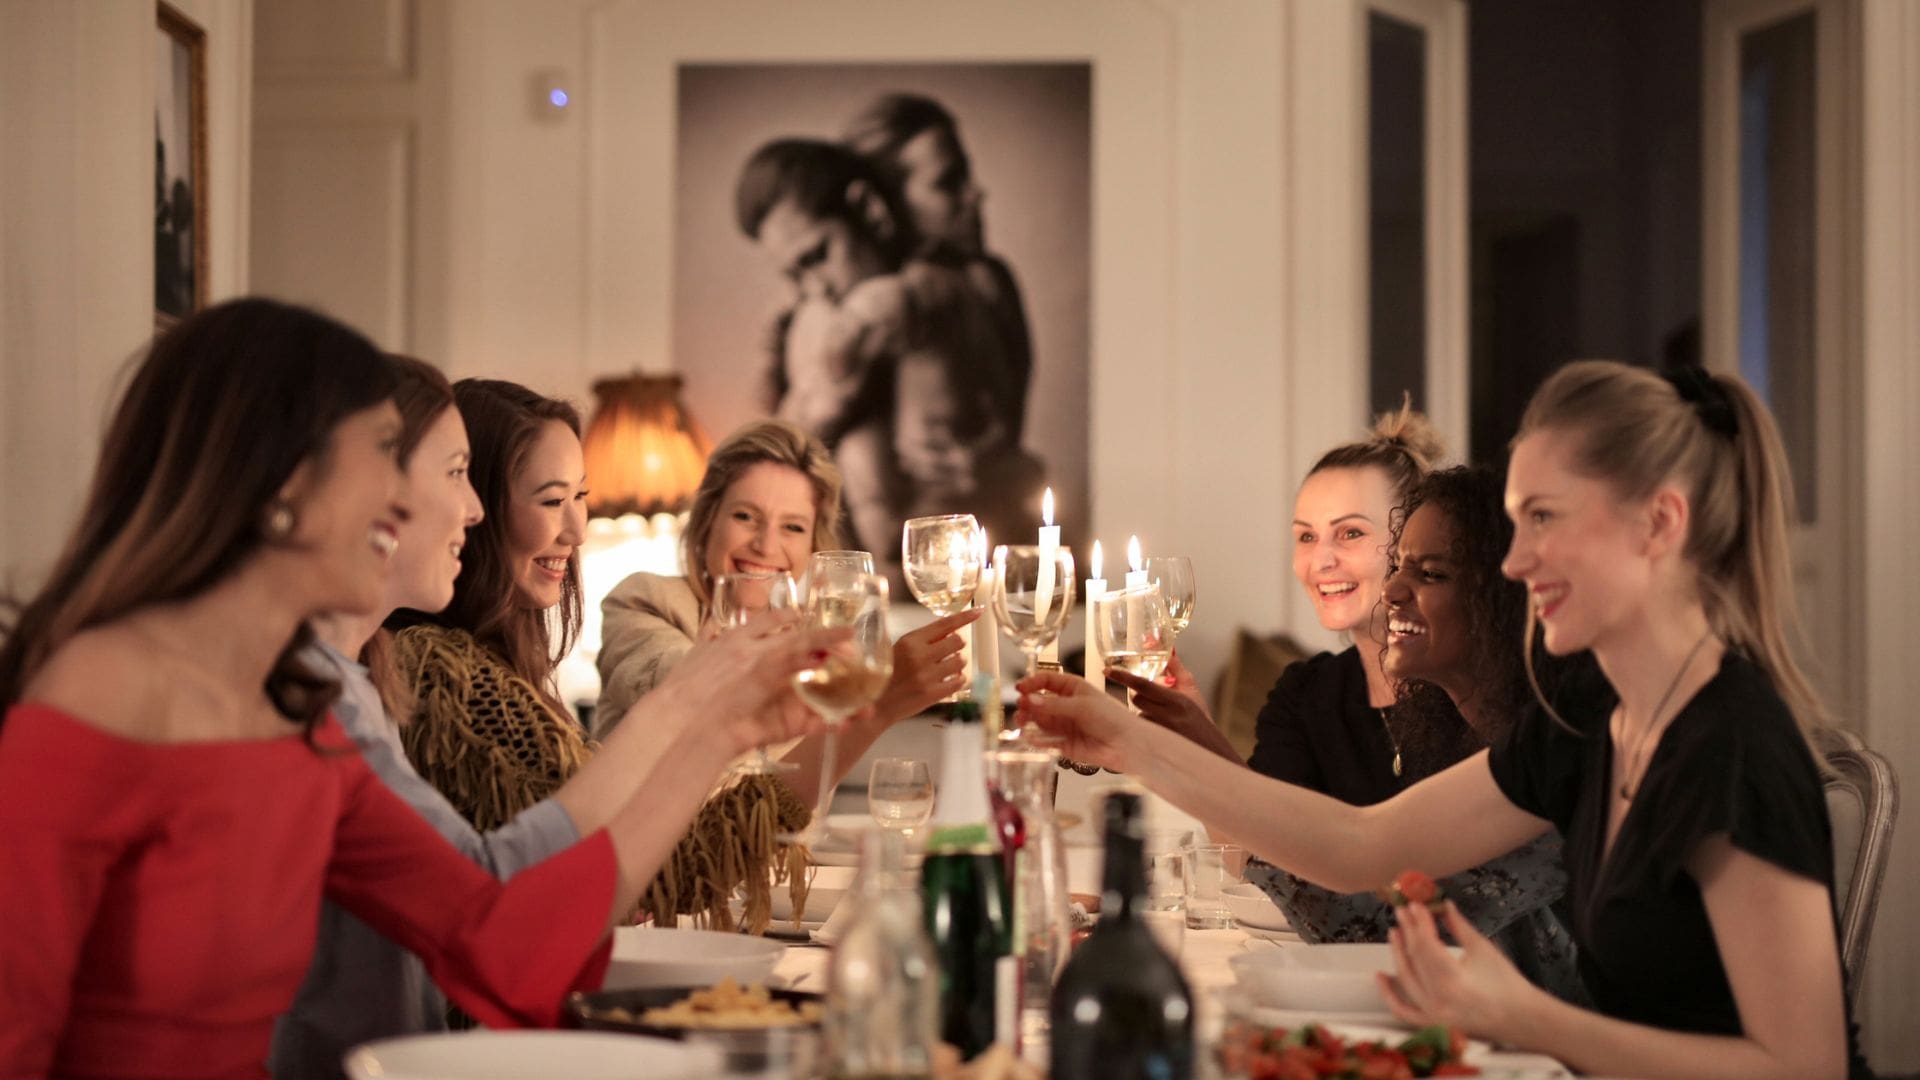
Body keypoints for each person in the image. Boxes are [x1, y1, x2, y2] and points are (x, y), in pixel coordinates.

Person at [0, 301, 829, 1078]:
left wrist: (714, 726)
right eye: (381, 458)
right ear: (285, 483)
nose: (425, 501)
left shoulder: (297, 712)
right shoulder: (87, 695)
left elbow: (495, 934)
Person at [1017, 361, 1870, 1079]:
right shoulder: (1587, 723)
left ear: (1660, 524)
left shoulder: (1729, 743)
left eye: (1543, 519)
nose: (1516, 559)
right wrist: (1126, 739)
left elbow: (1804, 1068)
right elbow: (1361, 846)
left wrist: (1531, 1020)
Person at [269, 360, 833, 1077]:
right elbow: (501, 910)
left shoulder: (361, 681)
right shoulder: (355, 693)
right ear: (373, 499)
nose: (471, 510)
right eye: (455, 475)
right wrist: (691, 707)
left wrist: (719, 727)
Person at [391, 383, 850, 928]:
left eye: (581, 498)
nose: (578, 529)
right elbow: (640, 877)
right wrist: (713, 690)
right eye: (552, 500)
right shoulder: (451, 674)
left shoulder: (494, 667)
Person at [736, 139, 1040, 579]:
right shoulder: (982, 282)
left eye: (818, 256)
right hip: (941, 585)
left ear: (870, 208)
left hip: (949, 589)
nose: (815, 287)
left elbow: (779, 449)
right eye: (796, 274)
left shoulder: (900, 301)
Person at [1121, 402, 1444, 802]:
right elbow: (1256, 852)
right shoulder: (1305, 697)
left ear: (1414, 540)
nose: (1321, 561)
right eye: (1306, 536)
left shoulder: (1473, 690)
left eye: (1350, 533)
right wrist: (1197, 731)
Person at [595, 417, 976, 740]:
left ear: (814, 547)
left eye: (793, 527)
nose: (765, 545)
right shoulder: (646, 600)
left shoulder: (818, 643)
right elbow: (672, 689)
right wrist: (880, 687)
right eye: (745, 516)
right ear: (708, 522)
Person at [842, 92, 1033, 447]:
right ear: (875, 206)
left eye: (968, 174)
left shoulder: (993, 285)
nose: (976, 194)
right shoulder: (871, 309)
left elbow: (1009, 437)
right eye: (948, 182)